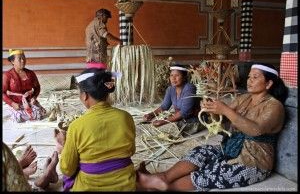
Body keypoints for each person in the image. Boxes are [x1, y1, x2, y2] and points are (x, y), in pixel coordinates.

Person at [137, 63, 288, 191]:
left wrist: (225, 109)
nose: (249, 80)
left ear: (268, 84)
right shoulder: (244, 98)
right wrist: (212, 110)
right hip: (229, 149)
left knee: (212, 172)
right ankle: (163, 178)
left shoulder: (274, 106)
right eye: (249, 77)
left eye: (255, 77)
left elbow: (256, 130)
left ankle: (161, 187)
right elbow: (222, 121)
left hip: (254, 162)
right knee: (201, 152)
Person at [56, 68, 136, 191]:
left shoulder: (76, 126)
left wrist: (63, 148)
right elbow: (131, 150)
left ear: (84, 95)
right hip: (125, 185)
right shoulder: (126, 117)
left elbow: (67, 169)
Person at [143, 64, 204, 136]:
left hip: (194, 120)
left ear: (184, 77)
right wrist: (151, 115)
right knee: (152, 126)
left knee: (164, 130)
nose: (173, 78)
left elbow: (185, 112)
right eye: (171, 75)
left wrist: (163, 121)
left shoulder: (190, 88)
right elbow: (164, 107)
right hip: (181, 118)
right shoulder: (170, 89)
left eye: (177, 75)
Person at [2, 49, 46, 123]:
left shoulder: (31, 73)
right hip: (17, 104)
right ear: (13, 61)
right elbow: (3, 92)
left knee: (40, 115)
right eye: (19, 59)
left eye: (23, 58)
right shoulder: (7, 75)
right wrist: (12, 103)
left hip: (29, 102)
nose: (23, 61)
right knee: (18, 119)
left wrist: (34, 97)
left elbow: (37, 87)